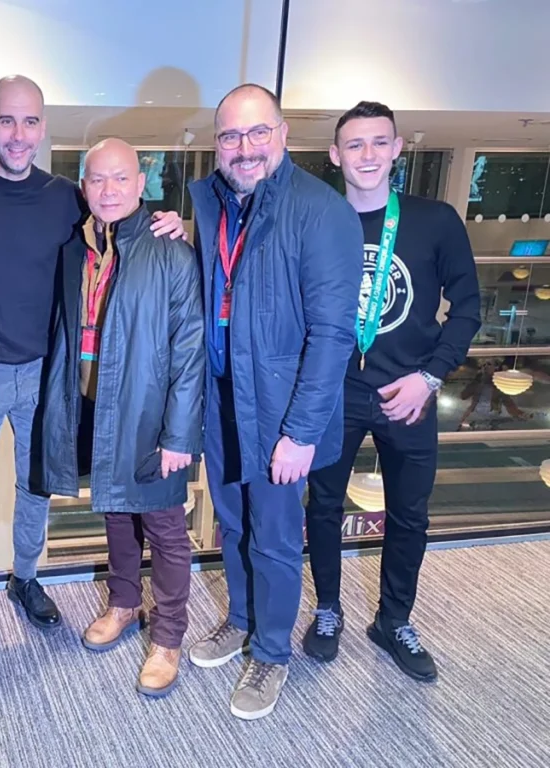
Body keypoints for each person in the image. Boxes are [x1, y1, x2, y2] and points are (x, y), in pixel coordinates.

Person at [0, 75, 186, 648]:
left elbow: (119, 209)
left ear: (44, 128)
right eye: (7, 120)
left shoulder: (64, 196)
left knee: (38, 484)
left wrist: (170, 222)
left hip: (47, 372)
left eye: (30, 122)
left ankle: (25, 578)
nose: (18, 134)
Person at [186, 84, 363, 720]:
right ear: (217, 145)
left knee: (276, 539)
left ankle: (271, 652)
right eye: (231, 136)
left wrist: (303, 431)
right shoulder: (209, 202)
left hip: (282, 413)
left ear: (283, 135)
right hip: (222, 399)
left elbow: (333, 334)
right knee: (231, 524)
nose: (245, 148)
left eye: (258, 133)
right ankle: (239, 618)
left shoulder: (322, 212)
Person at [302, 101, 480, 681]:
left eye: (379, 143)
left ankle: (394, 620)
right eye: (355, 145)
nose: (368, 155)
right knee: (323, 508)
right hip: (336, 391)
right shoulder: (319, 221)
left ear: (398, 148)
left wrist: (430, 377)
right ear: (335, 155)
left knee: (409, 516)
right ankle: (328, 610)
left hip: (411, 392)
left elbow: (468, 310)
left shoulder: (436, 220)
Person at [40, 139, 204, 697]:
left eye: (120, 179)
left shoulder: (171, 253)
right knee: (114, 513)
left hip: (151, 414)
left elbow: (190, 351)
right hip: (95, 404)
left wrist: (179, 433)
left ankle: (169, 637)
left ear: (141, 184)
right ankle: (125, 603)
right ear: (84, 186)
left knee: (164, 528)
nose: (108, 191)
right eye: (97, 180)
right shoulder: (76, 248)